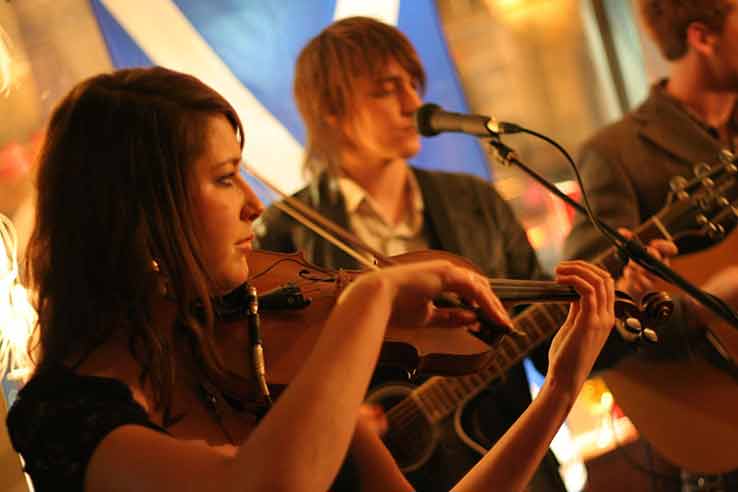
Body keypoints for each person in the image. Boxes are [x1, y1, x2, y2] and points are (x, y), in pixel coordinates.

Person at [3, 66, 617, 492]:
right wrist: (369, 293)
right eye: (223, 178)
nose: (254, 203)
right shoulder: (63, 414)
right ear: (139, 213)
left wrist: (559, 391)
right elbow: (266, 486)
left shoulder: (257, 371)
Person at [253, 16, 665, 492]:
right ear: (331, 108)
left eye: (413, 84)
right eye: (387, 90)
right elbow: (268, 385)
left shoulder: (476, 202)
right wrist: (335, 417)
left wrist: (614, 305)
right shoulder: (285, 235)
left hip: (517, 468)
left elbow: (539, 338)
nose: (413, 103)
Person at [564, 0, 738, 489]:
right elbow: (596, 328)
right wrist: (705, 308)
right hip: (715, 418)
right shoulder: (615, 155)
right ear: (703, 38)